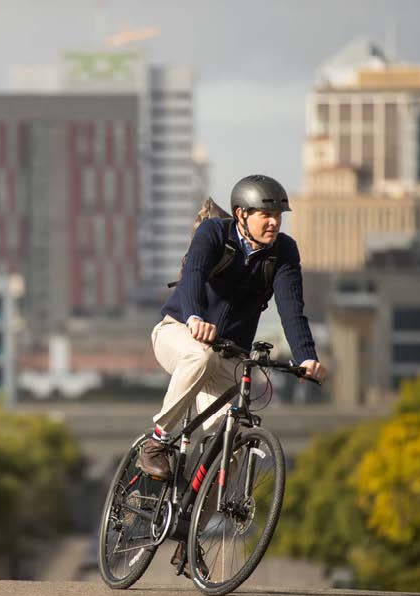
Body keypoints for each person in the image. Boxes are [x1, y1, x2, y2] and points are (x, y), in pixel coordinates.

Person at [139, 174, 327, 481]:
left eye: (278, 217)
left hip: (229, 353)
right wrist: (195, 319)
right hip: (179, 332)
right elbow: (193, 277)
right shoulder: (214, 232)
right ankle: (157, 442)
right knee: (199, 357)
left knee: (229, 443)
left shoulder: (283, 253)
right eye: (266, 216)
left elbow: (292, 310)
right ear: (242, 214)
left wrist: (306, 356)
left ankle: (192, 524)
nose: (274, 224)